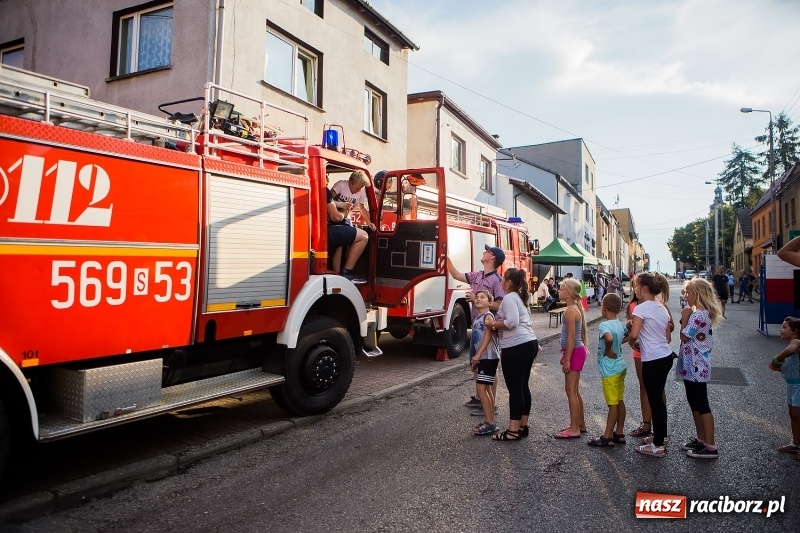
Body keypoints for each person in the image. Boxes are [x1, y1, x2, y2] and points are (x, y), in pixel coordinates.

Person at [447, 245, 505, 414]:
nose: (484, 252)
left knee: (489, 366)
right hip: (476, 327)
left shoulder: (497, 281)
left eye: (487, 251)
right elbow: (456, 274)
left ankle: (491, 405)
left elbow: (499, 305)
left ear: (492, 258)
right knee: (477, 364)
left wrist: (475, 299)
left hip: (488, 328)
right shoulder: (476, 275)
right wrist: (446, 256)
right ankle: (481, 398)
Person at [486, 268, 538, 442]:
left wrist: (494, 324)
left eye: (503, 279)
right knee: (523, 386)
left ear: (508, 282)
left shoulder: (508, 298)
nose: (501, 281)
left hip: (516, 346)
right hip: (528, 343)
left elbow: (512, 323)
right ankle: (522, 426)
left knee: (515, 389)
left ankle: (513, 430)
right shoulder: (519, 297)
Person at [627, 272, 674, 457]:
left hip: (652, 360)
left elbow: (634, 335)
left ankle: (657, 446)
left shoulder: (640, 308)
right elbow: (664, 333)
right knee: (659, 401)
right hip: (665, 356)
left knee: (654, 401)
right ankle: (661, 437)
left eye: (636, 286)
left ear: (644, 288)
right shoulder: (660, 307)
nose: (634, 290)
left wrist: (632, 342)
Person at [676, 278, 723, 459]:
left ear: (698, 294)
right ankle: (701, 439)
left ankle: (710, 445)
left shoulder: (698, 315)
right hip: (691, 365)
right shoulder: (698, 313)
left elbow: (684, 337)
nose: (685, 296)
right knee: (694, 402)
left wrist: (685, 316)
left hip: (696, 366)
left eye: (688, 292)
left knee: (702, 404)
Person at [587, 293, 628, 447]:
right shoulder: (618, 323)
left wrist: (608, 350)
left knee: (612, 404)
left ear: (603, 308)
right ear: (618, 310)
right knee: (619, 400)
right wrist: (619, 343)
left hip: (610, 369)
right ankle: (620, 432)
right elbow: (628, 335)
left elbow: (609, 338)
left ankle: (607, 436)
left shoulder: (604, 325)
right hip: (620, 366)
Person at [555, 278, 587, 439]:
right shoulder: (574, 308)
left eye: (561, 289)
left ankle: (574, 428)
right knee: (574, 390)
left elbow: (572, 337)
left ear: (568, 293)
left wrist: (567, 359)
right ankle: (579, 423)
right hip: (576, 351)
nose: (558, 291)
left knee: (570, 391)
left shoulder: (570, 311)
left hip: (575, 352)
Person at [469, 290, 501, 436]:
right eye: (477, 297)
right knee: (486, 390)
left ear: (490, 303)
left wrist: (478, 354)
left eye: (482, 297)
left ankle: (490, 423)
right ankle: (490, 421)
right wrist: (475, 357)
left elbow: (489, 335)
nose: (478, 299)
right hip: (483, 358)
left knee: (481, 389)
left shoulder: (488, 317)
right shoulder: (477, 319)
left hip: (488, 357)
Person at [326, 176, 368, 282]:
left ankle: (339, 273)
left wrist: (369, 222)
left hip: (341, 219)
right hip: (333, 222)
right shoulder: (334, 188)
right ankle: (346, 272)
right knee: (363, 237)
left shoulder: (361, 191)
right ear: (351, 182)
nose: (359, 190)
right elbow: (334, 212)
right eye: (358, 188)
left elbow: (362, 207)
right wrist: (343, 207)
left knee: (347, 242)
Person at [769, 317, 800, 458]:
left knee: (797, 415)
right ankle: (796, 443)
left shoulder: (796, 342)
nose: (781, 330)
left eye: (784, 327)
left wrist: (778, 358)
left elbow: (792, 349)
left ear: (795, 331)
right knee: (792, 415)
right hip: (791, 386)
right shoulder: (790, 344)